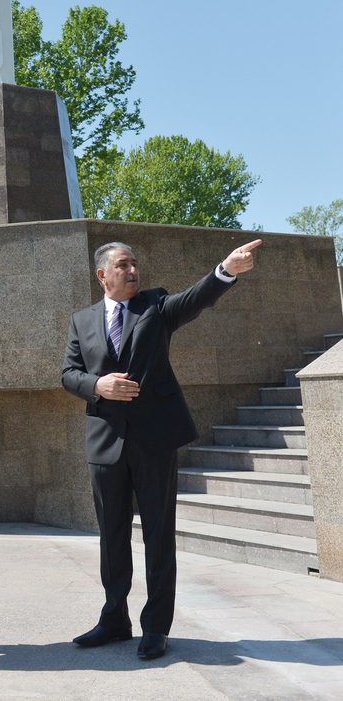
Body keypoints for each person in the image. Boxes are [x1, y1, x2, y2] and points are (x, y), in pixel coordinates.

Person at [61, 237, 261, 660]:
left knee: (157, 534)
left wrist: (225, 269)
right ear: (102, 274)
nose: (133, 270)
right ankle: (114, 619)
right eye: (123, 265)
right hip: (105, 442)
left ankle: (156, 627)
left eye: (135, 263)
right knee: (111, 535)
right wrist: (98, 385)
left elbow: (196, 298)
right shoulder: (81, 320)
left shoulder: (155, 305)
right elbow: (69, 374)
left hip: (154, 440)